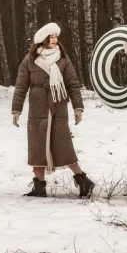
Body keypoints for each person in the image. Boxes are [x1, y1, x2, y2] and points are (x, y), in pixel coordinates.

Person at [11, 22, 95, 199]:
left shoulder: (63, 58)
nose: (55, 40)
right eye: (51, 37)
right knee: (37, 146)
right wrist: (16, 109)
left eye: (56, 37)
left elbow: (72, 83)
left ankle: (83, 181)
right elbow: (20, 86)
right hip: (37, 108)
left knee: (62, 145)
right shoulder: (29, 59)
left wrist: (77, 108)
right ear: (43, 40)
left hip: (58, 106)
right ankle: (39, 186)